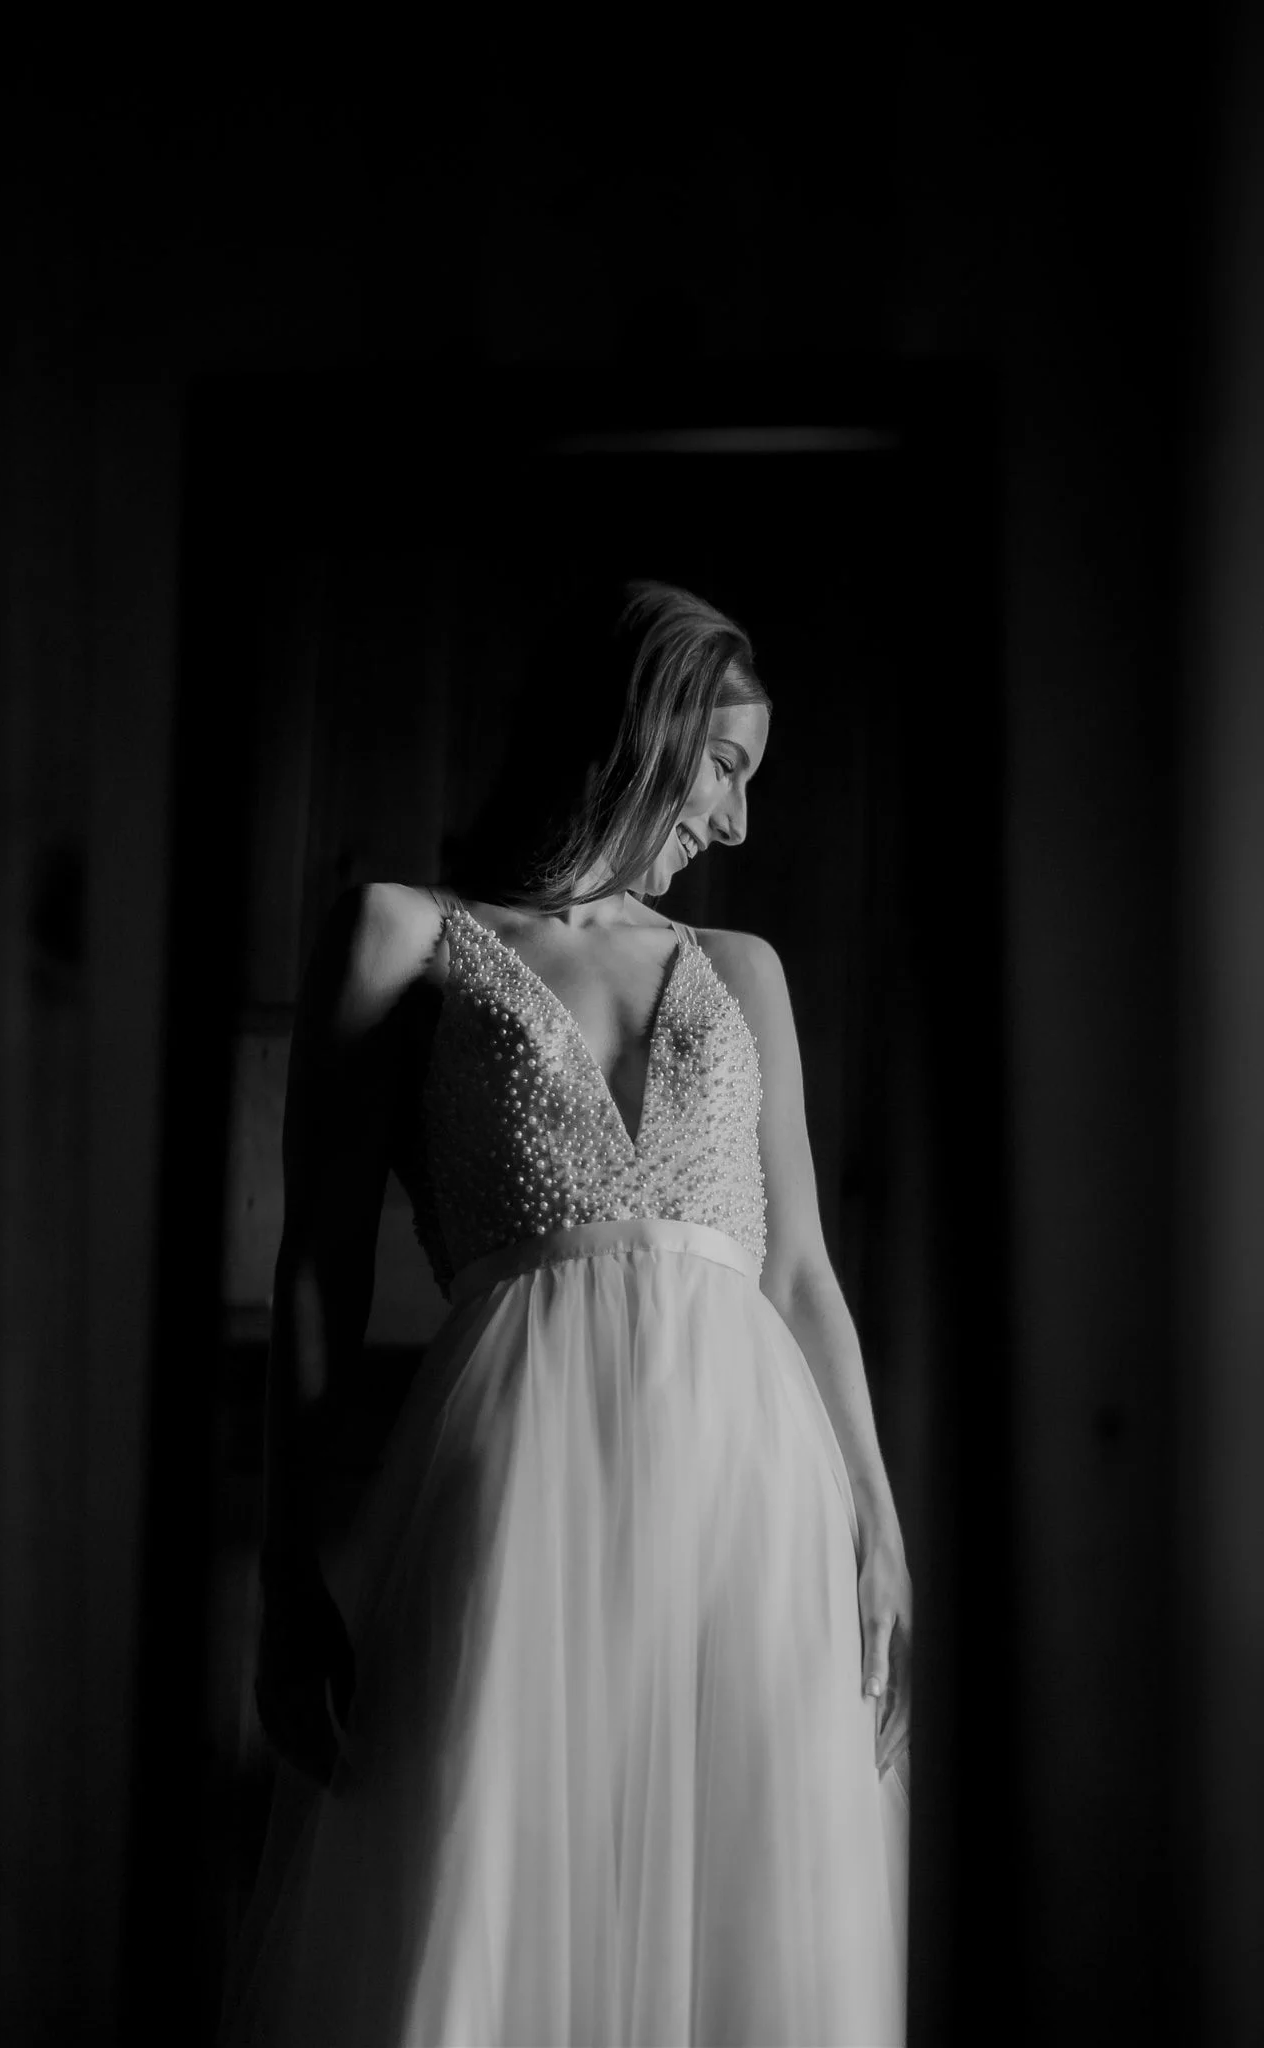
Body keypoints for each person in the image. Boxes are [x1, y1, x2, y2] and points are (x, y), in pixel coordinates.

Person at [216, 580, 911, 2046]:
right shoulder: (405, 936)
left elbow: (799, 1272)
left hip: (748, 1506)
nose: (737, 822)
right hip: (520, 1489)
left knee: (742, 1915)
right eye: (725, 767)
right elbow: (319, 1269)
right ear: (641, 728)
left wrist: (878, 1517)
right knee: (491, 1903)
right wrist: (288, 1571)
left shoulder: (741, 972)